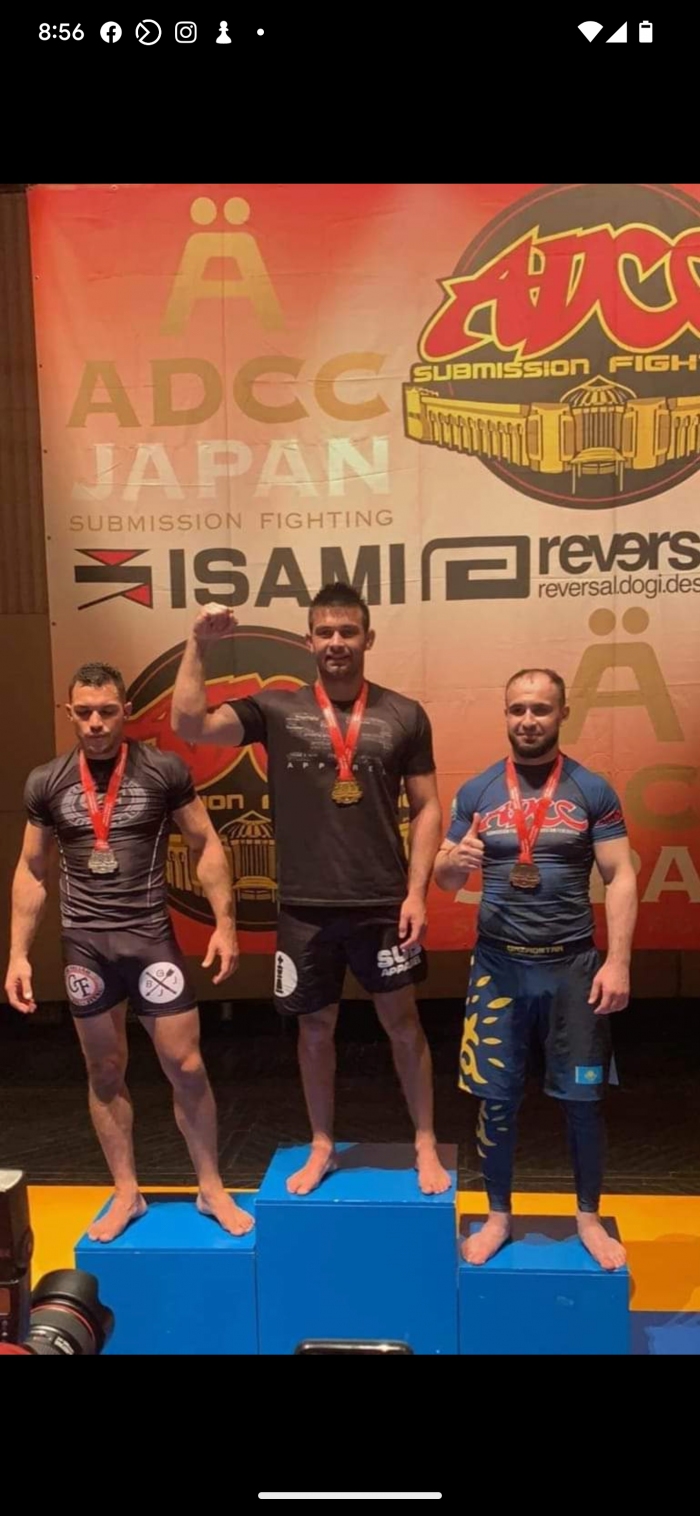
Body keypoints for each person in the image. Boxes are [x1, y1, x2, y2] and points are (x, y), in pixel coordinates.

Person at [171, 582, 450, 1197]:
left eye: (347, 631)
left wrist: (416, 893)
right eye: (325, 632)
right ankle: (322, 1143)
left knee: (404, 1024)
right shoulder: (277, 708)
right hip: (303, 906)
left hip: (382, 902)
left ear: (368, 638)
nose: (336, 642)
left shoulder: (405, 714)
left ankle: (426, 1141)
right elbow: (190, 723)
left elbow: (428, 807)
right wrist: (197, 643)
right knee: (314, 1030)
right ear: (309, 641)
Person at [4, 661, 253, 1243]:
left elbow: (205, 843)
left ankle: (211, 1187)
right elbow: (32, 869)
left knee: (186, 1067)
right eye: (84, 712)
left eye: (107, 711)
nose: (95, 723)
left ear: (127, 712)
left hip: (149, 941)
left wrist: (226, 923)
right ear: (69, 713)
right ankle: (126, 1192)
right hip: (85, 947)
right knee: (103, 1070)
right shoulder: (46, 781)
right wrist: (17, 953)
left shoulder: (163, 769)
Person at [434, 668, 637, 1270]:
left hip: (573, 970)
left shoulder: (591, 789)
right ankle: (498, 1215)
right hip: (497, 969)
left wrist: (619, 961)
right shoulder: (477, 791)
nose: (528, 720)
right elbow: (443, 877)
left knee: (583, 1100)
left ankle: (588, 1217)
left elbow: (620, 875)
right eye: (517, 709)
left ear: (562, 713)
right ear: (505, 714)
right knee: (495, 1101)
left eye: (540, 709)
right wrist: (456, 861)